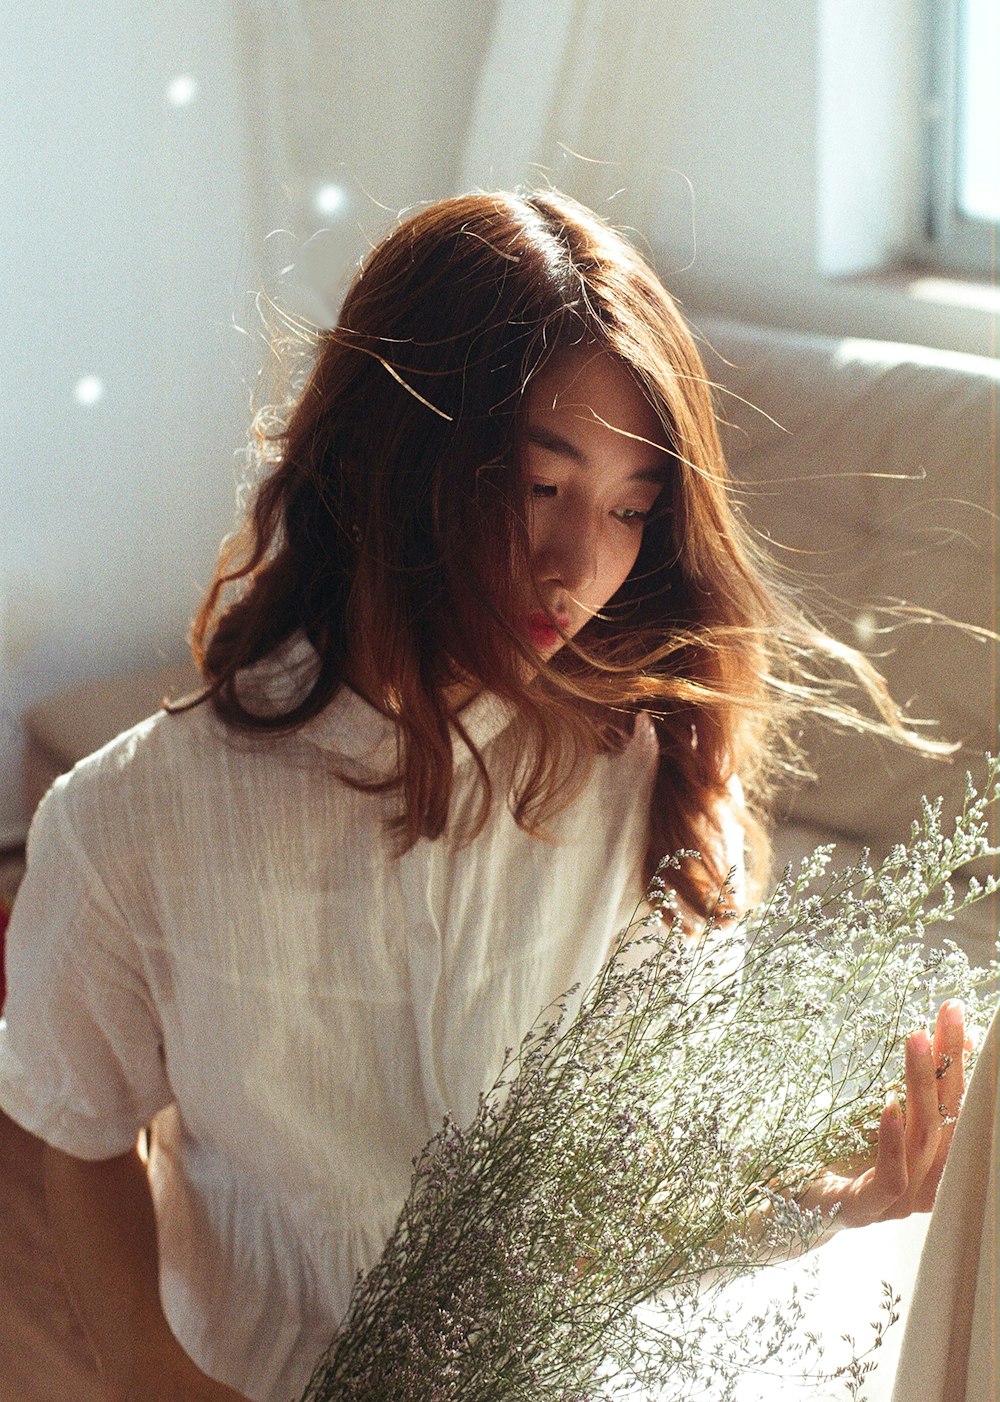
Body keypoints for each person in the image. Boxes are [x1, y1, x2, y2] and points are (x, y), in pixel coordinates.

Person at [0, 190, 969, 1402]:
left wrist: (847, 1198)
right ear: (388, 456)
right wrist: (145, 1366)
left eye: (628, 511)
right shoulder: (129, 824)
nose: (581, 568)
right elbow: (79, 1127)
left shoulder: (645, 777)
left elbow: (627, 1194)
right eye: (537, 485)